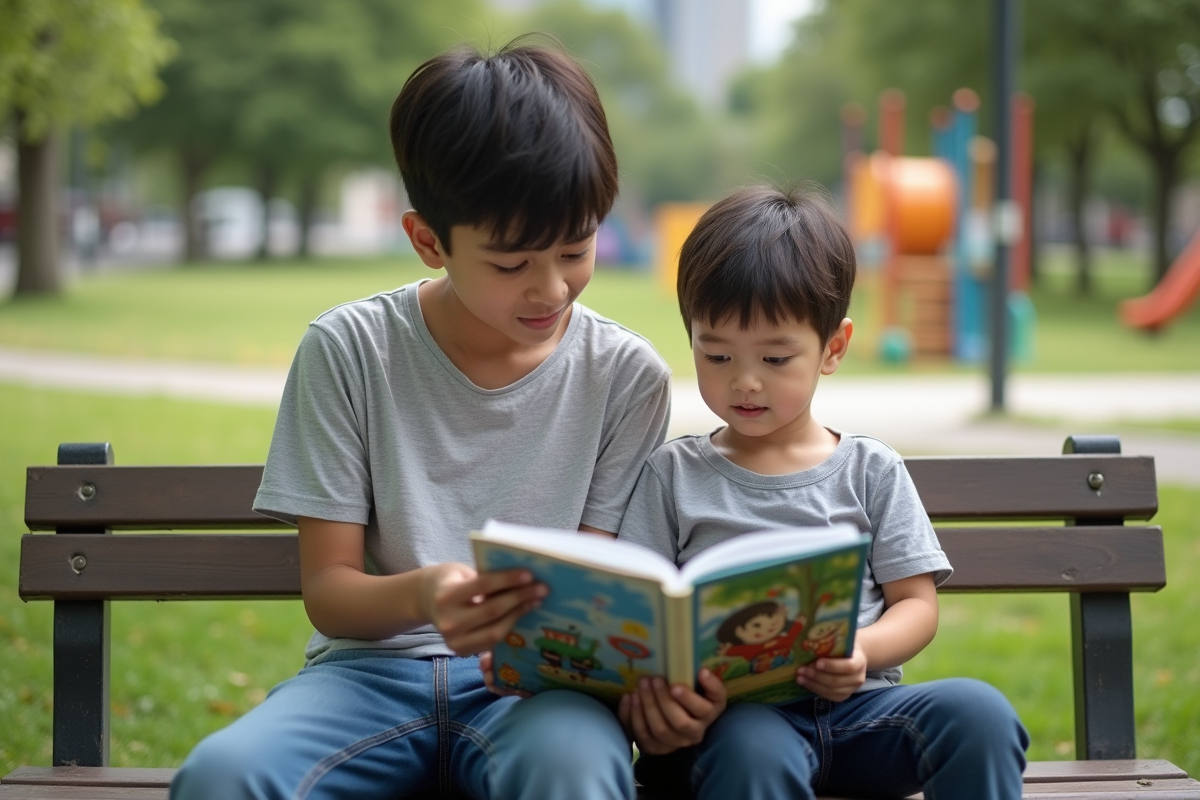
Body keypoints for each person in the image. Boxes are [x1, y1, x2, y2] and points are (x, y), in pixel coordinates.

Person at [171, 38, 671, 800]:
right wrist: (422, 596)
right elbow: (330, 589)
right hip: (363, 679)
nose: (553, 290)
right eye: (511, 264)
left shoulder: (625, 376)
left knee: (573, 770)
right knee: (223, 778)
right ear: (428, 240)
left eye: (576, 249)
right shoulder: (349, 350)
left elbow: (593, 596)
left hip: (536, 695)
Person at [616, 186, 1029, 800]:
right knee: (753, 749)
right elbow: (639, 616)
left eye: (777, 358)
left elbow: (916, 604)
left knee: (980, 713)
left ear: (832, 347)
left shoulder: (869, 468)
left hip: (862, 713)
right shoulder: (673, 475)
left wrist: (860, 651)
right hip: (739, 724)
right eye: (718, 354)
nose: (745, 380)